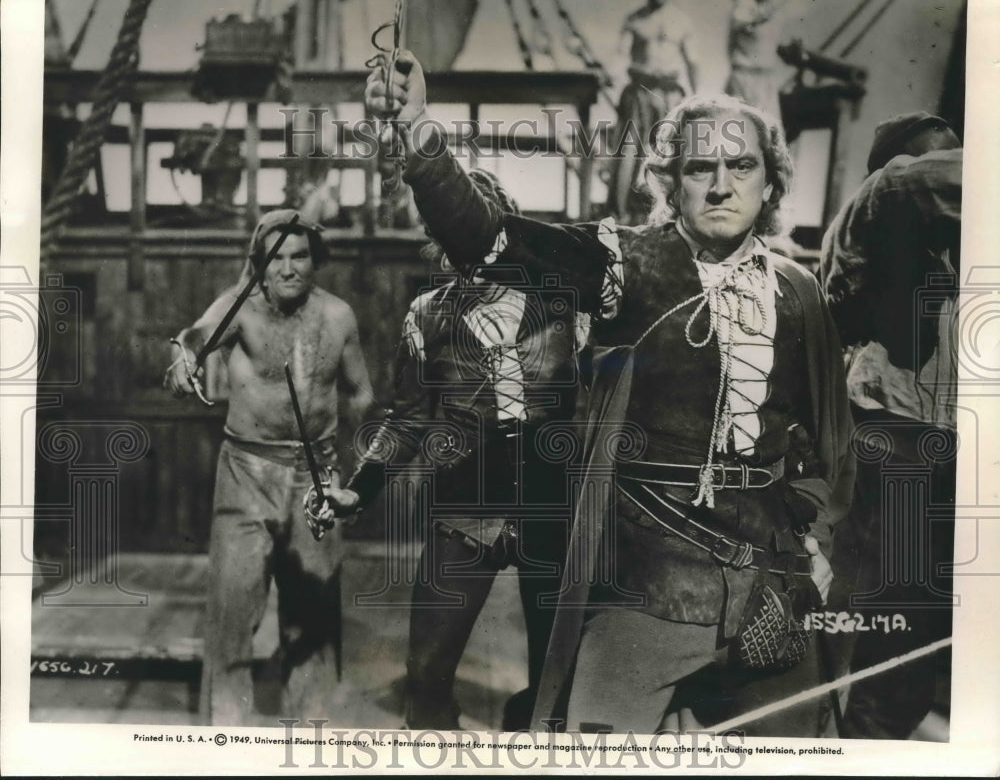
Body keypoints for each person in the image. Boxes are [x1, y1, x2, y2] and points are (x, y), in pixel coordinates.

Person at [365, 51, 855, 736]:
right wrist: (418, 129)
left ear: (771, 183)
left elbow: (832, 447)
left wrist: (814, 542)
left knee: (803, 746)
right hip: (646, 587)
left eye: (741, 166)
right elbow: (489, 240)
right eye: (699, 168)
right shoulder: (621, 260)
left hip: (770, 585)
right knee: (586, 744)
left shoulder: (798, 293)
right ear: (670, 182)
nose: (720, 186)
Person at [331, 169, 581, 731]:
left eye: (478, 226)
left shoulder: (566, 306)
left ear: (504, 228)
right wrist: (357, 489)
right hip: (465, 512)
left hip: (554, 515)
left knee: (554, 693)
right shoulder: (427, 315)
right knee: (425, 679)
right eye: (450, 229)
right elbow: (407, 419)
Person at [163, 209, 373, 725]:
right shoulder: (240, 308)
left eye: (299, 255)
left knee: (314, 623)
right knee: (233, 614)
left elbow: (362, 394)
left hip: (316, 474)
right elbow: (193, 336)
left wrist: (349, 473)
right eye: (276, 257)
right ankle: (227, 740)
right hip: (247, 471)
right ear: (259, 264)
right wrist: (182, 362)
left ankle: (312, 736)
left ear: (314, 259)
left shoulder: (339, 316)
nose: (288, 268)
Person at [820, 112, 961, 739]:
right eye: (940, 154)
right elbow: (912, 180)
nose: (950, 163)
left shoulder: (915, 231)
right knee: (895, 629)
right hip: (902, 436)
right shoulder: (890, 192)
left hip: (920, 435)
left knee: (898, 620)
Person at [608, 0, 700, 225]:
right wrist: (609, 74)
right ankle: (618, 217)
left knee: (671, 154)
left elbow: (693, 61)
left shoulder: (682, 21)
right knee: (627, 152)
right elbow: (620, 53)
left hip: (670, 94)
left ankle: (673, 217)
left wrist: (697, 96)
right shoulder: (635, 20)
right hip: (638, 91)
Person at [724, 0, 802, 126]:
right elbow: (747, 20)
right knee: (737, 130)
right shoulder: (742, 6)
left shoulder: (777, 15)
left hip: (766, 80)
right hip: (743, 78)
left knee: (769, 134)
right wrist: (765, 11)